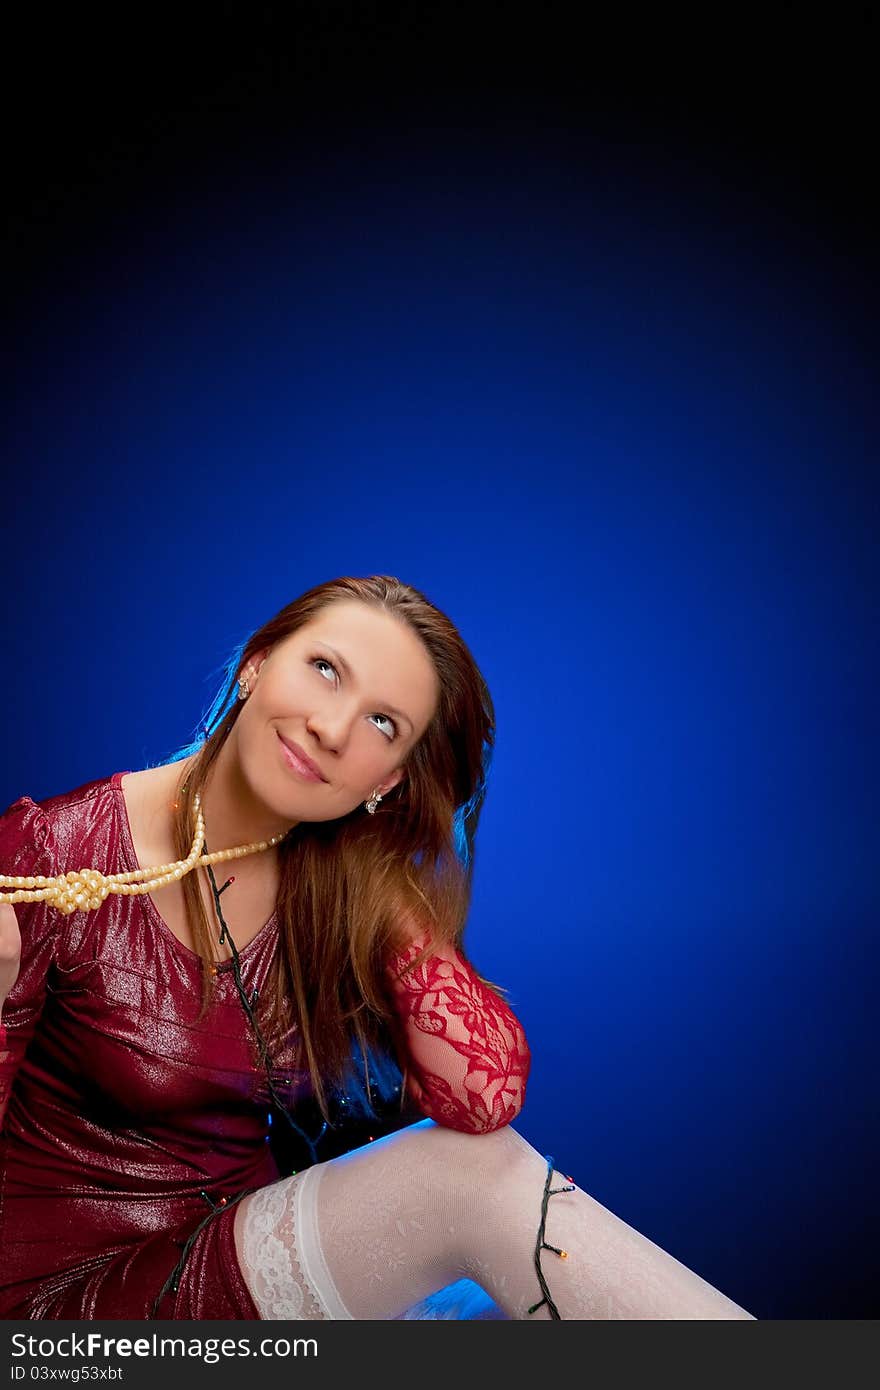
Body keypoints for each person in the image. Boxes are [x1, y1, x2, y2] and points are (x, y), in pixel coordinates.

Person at [0, 574, 756, 1321]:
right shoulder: (47, 855)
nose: (332, 728)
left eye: (382, 724)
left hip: (233, 1253)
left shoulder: (337, 886)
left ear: (388, 781)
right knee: (466, 1184)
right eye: (324, 670)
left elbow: (484, 1097)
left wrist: (386, 891)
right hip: (68, 1315)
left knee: (496, 1302)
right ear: (257, 663)